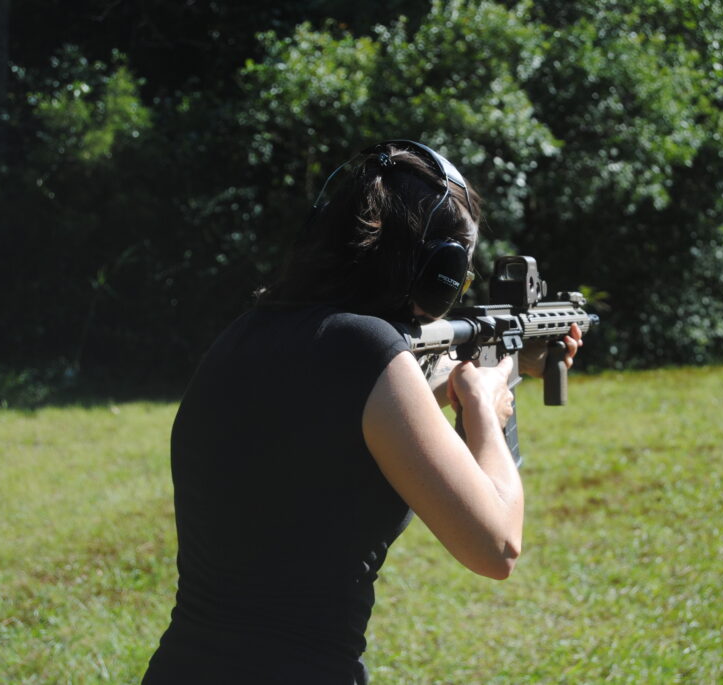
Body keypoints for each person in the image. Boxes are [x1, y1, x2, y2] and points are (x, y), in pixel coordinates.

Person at [141, 140, 581, 684]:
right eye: (459, 274)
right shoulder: (366, 351)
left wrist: (510, 364)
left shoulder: (245, 335)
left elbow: (365, 409)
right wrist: (484, 404)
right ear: (438, 271)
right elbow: (496, 548)